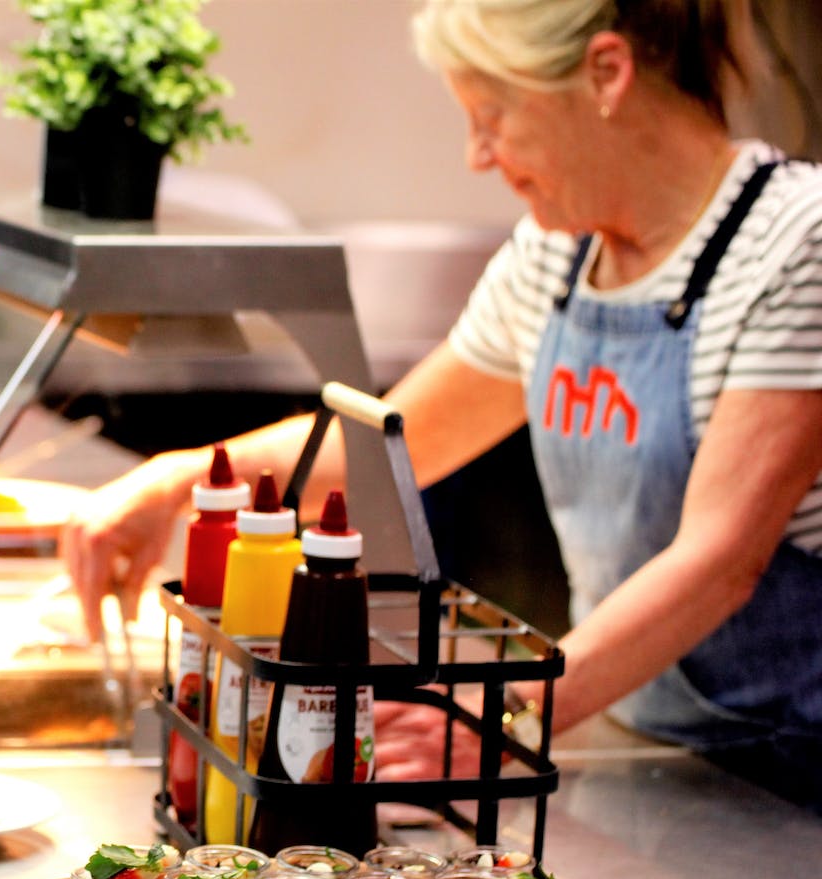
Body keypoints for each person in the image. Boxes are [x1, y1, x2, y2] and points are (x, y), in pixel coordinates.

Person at [62, 0, 822, 803]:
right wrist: (184, 484)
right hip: (639, 739)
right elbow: (395, 449)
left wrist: (510, 718)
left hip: (791, 777)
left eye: (492, 117)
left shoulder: (795, 241)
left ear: (607, 73)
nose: (477, 156)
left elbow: (721, 562)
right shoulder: (558, 252)